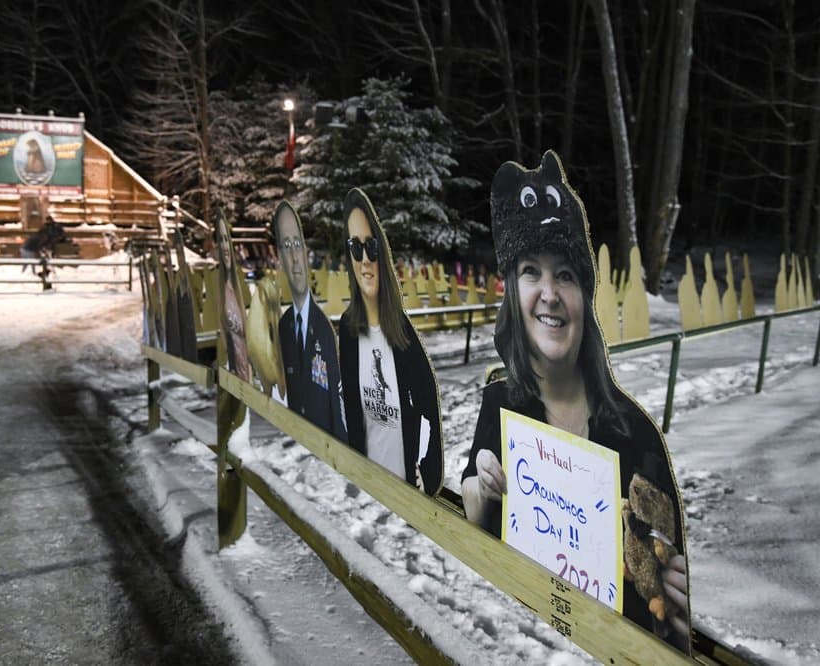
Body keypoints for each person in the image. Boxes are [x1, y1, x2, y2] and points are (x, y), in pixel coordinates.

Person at [461, 150, 689, 650]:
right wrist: (479, 491)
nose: (549, 293)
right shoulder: (499, 404)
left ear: (584, 294)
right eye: (530, 272)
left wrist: (675, 604)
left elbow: (668, 612)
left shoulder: (636, 436)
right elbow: (472, 524)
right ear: (512, 295)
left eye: (565, 274)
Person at [338, 188, 443, 496]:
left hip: (405, 485)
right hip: (367, 484)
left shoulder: (401, 332)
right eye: (356, 249)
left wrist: (425, 473)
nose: (365, 261)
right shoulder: (347, 327)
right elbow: (350, 404)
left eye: (371, 248)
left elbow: (428, 410)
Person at [274, 202, 347, 441]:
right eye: (287, 247)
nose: (295, 258)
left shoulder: (324, 327)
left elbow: (336, 401)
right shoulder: (284, 326)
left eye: (297, 245)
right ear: (279, 258)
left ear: (306, 252)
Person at [217, 217, 251, 382]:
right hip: (234, 370)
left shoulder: (236, 287)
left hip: (246, 366)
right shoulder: (221, 291)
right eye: (220, 240)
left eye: (226, 239)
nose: (225, 247)